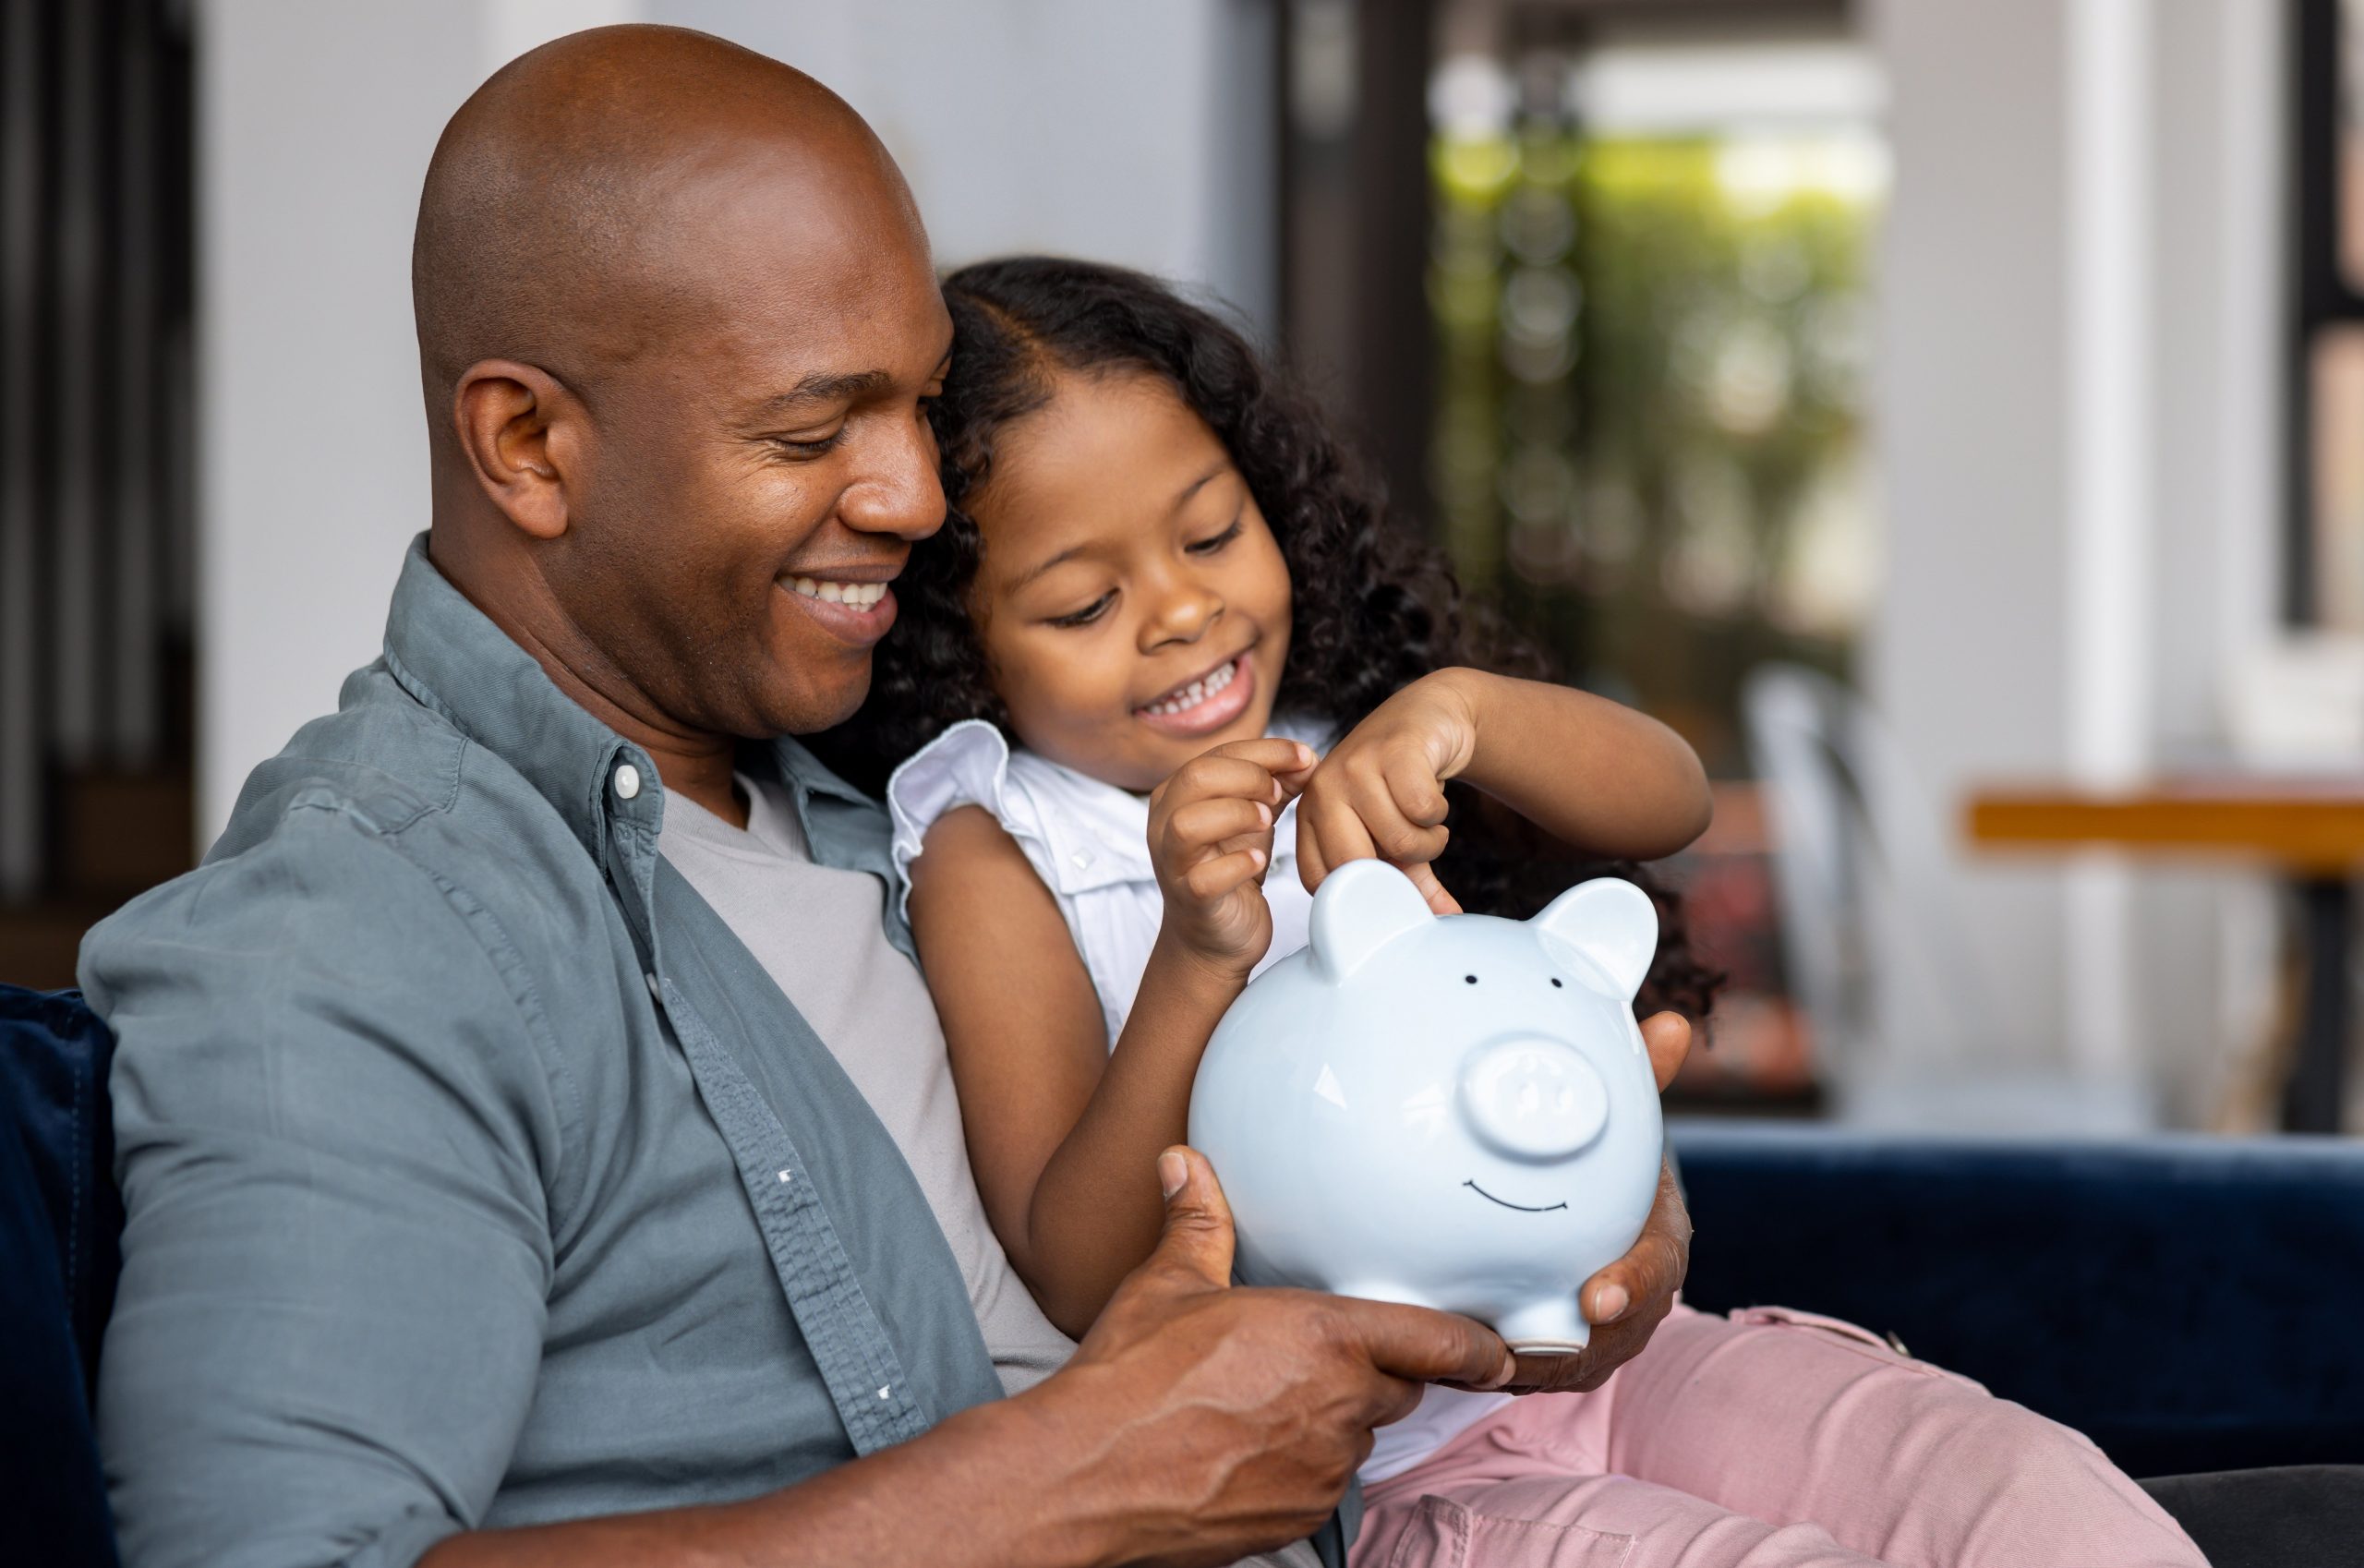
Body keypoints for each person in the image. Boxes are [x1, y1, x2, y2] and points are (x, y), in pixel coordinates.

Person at [76, 27, 1694, 1568]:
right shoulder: (357, 935)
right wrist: (1083, 1478)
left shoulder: (900, 784)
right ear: (526, 442)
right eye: (809, 426)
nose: (917, 498)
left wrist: (1566, 1201)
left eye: (917, 402)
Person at [835, 257, 2210, 1568]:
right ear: (959, 637)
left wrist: (1464, 713)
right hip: (1393, 1467)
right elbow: (1076, 1266)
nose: (1186, 611)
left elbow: (1665, 797)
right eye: (1084, 602)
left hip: (1637, 1358)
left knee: (2018, 1488)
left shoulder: (1345, 733)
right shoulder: (996, 845)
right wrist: (1202, 953)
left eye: (1210, 531)